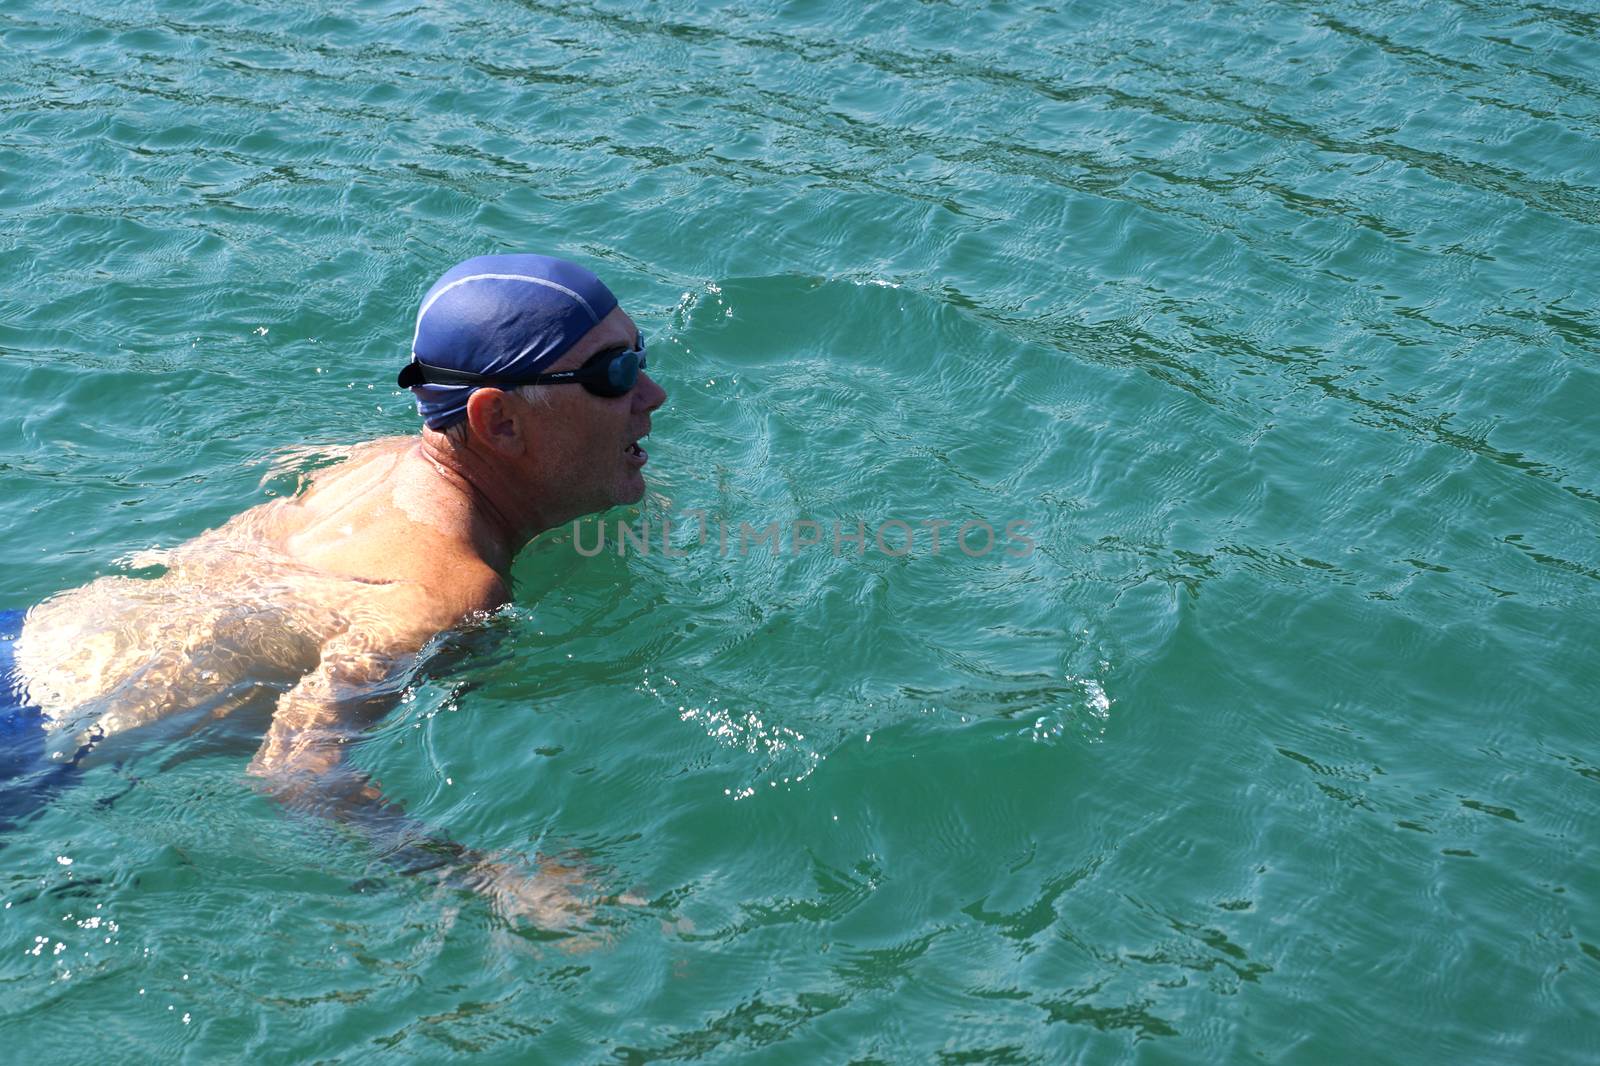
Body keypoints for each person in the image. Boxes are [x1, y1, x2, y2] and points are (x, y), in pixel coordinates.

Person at [3, 253, 667, 918]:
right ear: (498, 422)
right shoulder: (448, 592)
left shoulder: (375, 461)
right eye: (614, 374)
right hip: (41, 742)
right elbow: (296, 769)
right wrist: (492, 883)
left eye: (637, 354)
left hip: (30, 636)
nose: (651, 394)